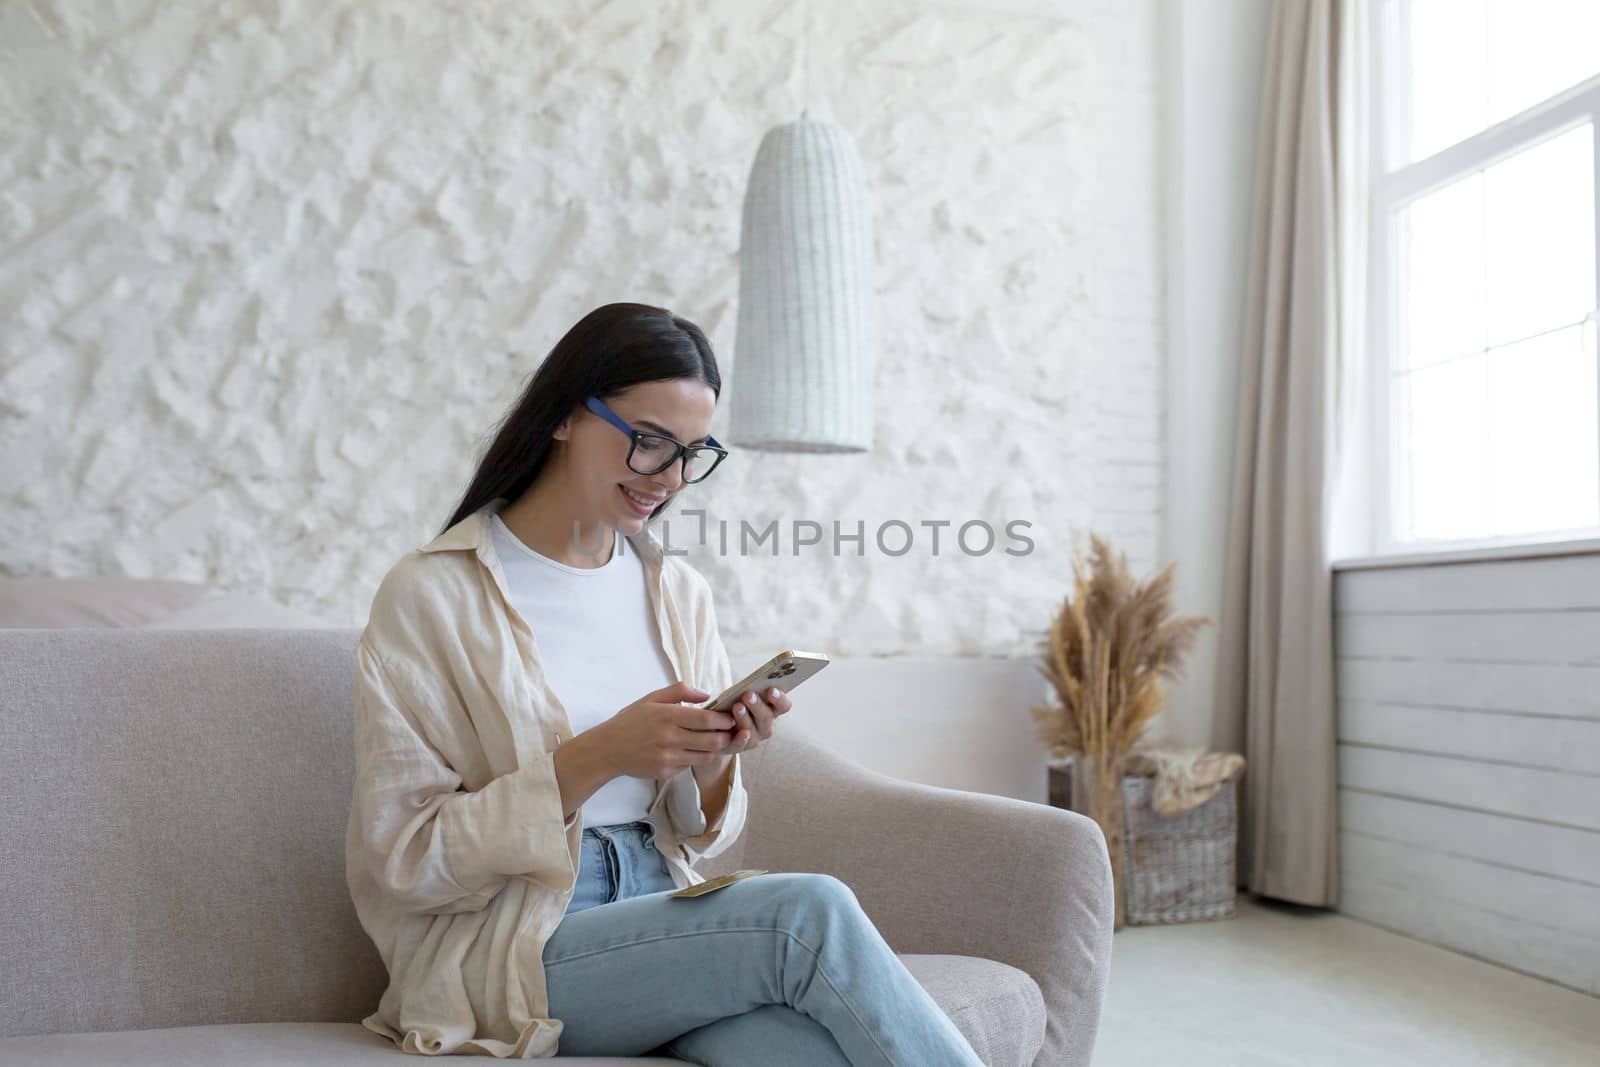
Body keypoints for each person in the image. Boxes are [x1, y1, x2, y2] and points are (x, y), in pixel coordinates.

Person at [346, 302, 985, 1065]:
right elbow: (402, 859)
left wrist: (714, 755)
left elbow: (705, 832)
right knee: (803, 910)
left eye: (694, 452)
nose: (672, 478)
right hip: (519, 946)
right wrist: (602, 752)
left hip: (661, 913)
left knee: (802, 1051)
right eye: (650, 442)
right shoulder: (432, 595)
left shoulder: (676, 591)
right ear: (563, 416)